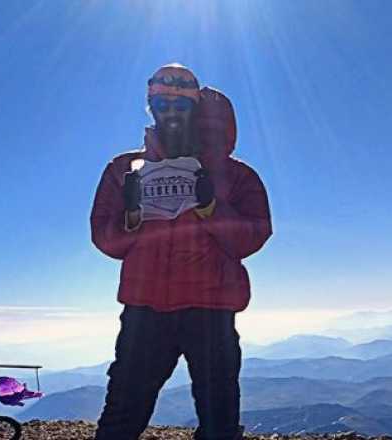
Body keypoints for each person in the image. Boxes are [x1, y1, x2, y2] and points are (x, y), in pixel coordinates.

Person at [89, 63, 272, 440]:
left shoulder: (237, 176)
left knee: (218, 417)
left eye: (181, 105)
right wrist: (131, 218)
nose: (170, 113)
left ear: (197, 111)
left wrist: (212, 210)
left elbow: (254, 236)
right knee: (122, 412)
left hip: (209, 309)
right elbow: (107, 243)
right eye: (161, 103)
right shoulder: (123, 170)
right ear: (150, 107)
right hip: (146, 309)